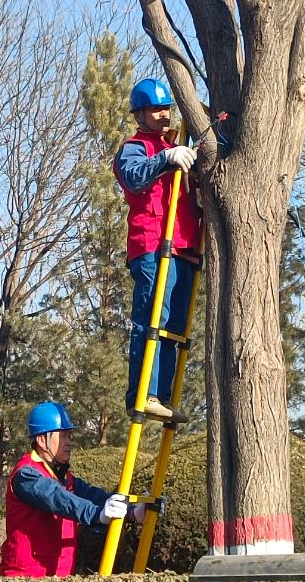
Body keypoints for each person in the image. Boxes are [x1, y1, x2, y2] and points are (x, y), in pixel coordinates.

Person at [112, 78, 201, 424]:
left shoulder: (176, 148)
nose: (163, 115)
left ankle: (160, 395)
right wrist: (165, 157)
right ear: (140, 114)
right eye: (156, 109)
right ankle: (143, 393)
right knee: (152, 321)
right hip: (153, 246)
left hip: (183, 248)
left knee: (173, 327)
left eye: (166, 108)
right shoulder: (137, 147)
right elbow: (133, 177)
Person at [0, 401, 146, 577]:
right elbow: (58, 498)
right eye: (62, 436)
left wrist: (133, 512)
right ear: (41, 440)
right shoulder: (26, 475)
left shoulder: (64, 477)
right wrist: (98, 514)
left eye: (70, 436)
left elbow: (94, 497)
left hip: (59, 574)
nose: (69, 442)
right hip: (25, 576)